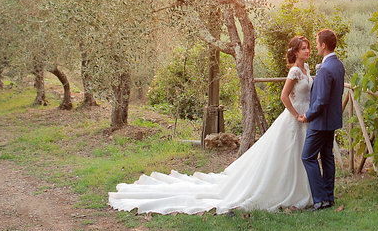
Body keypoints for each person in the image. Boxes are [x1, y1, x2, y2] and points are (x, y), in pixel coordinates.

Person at [107, 36, 314, 214]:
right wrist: (295, 114)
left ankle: (303, 190)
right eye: (303, 48)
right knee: (289, 154)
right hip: (294, 119)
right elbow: (284, 96)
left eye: (308, 47)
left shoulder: (307, 69)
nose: (307, 50)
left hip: (306, 118)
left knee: (299, 154)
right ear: (295, 52)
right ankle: (288, 191)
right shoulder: (294, 72)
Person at [298, 29, 344, 211]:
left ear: (323, 45)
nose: (315, 46)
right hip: (331, 120)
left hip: (320, 122)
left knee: (307, 157)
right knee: (327, 157)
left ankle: (319, 199)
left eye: (317, 43)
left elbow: (322, 100)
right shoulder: (338, 65)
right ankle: (329, 198)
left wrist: (308, 115)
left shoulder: (325, 69)